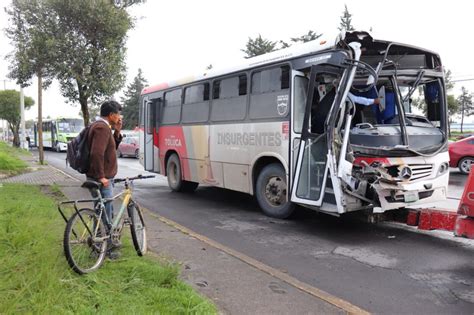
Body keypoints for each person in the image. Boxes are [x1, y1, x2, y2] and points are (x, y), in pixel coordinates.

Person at [86, 100, 123, 258]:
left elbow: (110, 148)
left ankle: (99, 246)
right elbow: (97, 153)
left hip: (104, 176)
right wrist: (101, 176)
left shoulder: (104, 127)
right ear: (111, 115)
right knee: (105, 213)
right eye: (118, 114)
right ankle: (104, 249)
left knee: (102, 211)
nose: (120, 117)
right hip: (102, 178)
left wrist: (117, 131)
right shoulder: (101, 128)